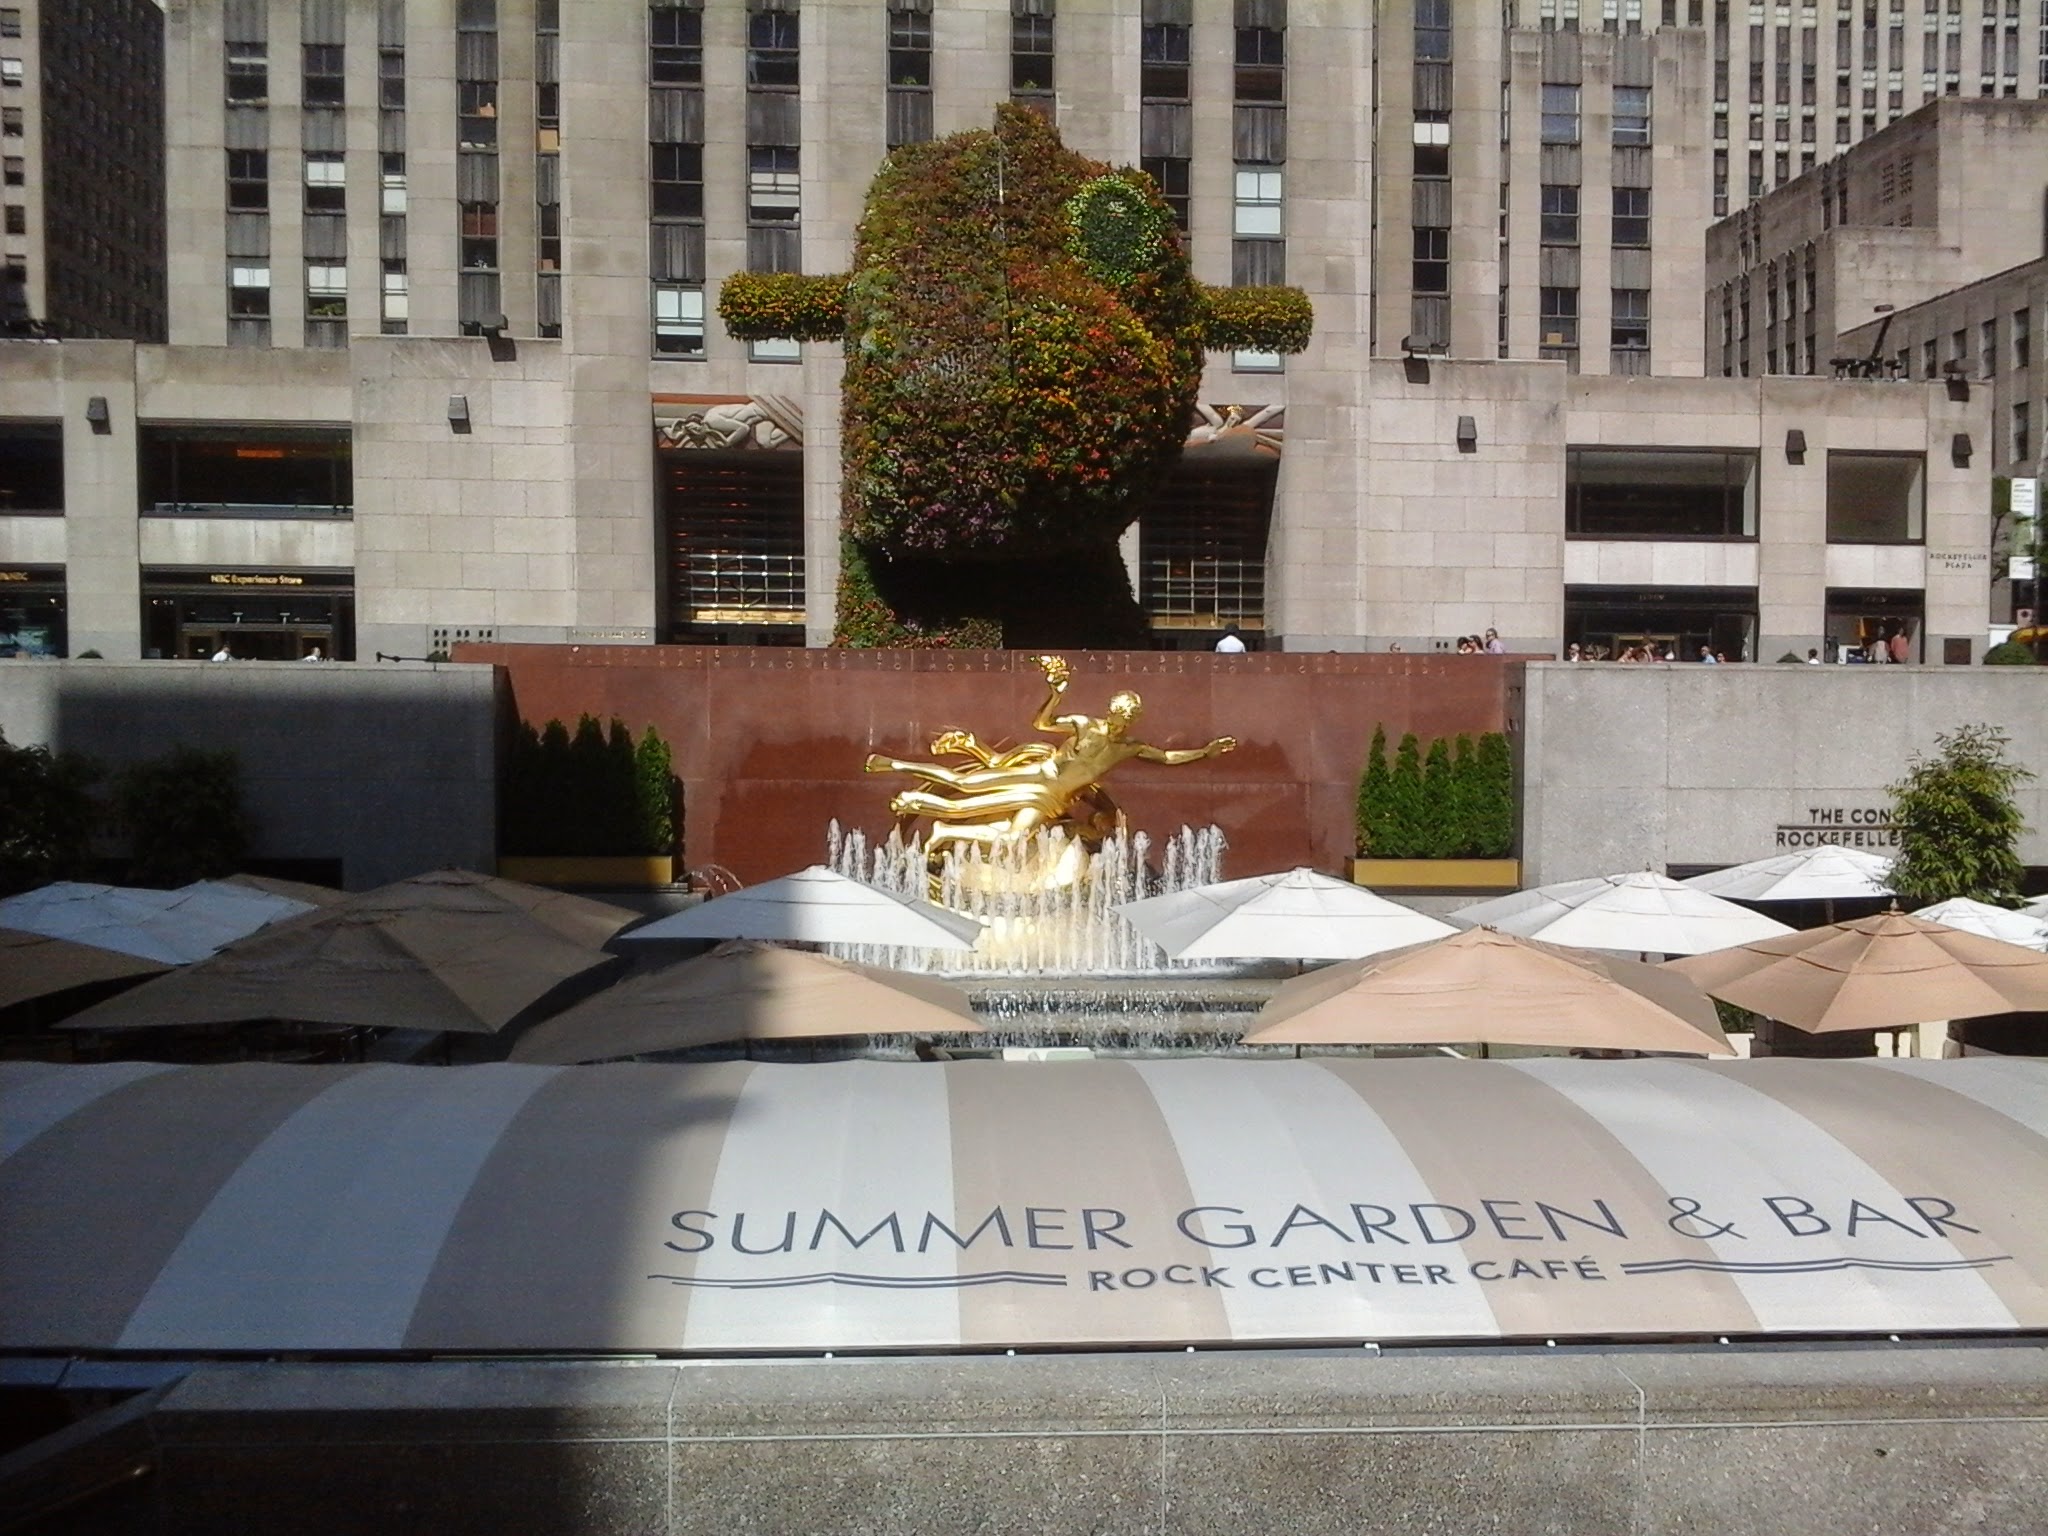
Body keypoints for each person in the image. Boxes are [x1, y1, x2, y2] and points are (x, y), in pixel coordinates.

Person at [865, 653, 1235, 857]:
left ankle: (943, 830)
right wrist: (1055, 694)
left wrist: (1205, 752)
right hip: (1039, 774)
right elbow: (1042, 723)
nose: (1121, 722)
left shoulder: (1130, 747)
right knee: (964, 783)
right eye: (1118, 715)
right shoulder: (1085, 724)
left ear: (1133, 720)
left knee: (1012, 837)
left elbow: (1167, 758)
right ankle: (893, 764)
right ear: (1110, 711)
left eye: (1128, 718)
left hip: (1053, 800)